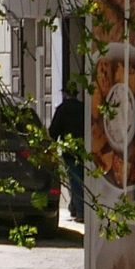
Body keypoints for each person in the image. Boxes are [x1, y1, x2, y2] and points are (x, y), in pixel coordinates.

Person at [47, 88, 86, 224]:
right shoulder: (83, 108)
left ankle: (80, 211)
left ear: (65, 94)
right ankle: (74, 208)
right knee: (81, 179)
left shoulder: (62, 109)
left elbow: (53, 131)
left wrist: (51, 149)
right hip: (84, 150)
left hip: (69, 151)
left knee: (74, 180)